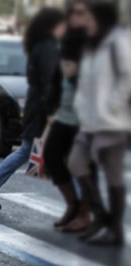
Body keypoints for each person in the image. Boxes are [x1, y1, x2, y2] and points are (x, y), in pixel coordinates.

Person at [0, 8, 66, 208]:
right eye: (62, 25)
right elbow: (47, 83)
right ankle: (81, 204)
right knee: (51, 153)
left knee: (29, 151)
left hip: (38, 108)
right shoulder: (48, 48)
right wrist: (53, 110)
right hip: (42, 111)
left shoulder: (42, 46)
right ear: (54, 26)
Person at [68, 1, 131, 246]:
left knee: (113, 175)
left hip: (113, 123)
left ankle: (114, 229)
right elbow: (85, 83)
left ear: (102, 21)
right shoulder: (92, 47)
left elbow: (127, 77)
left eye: (91, 20)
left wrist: (110, 107)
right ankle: (102, 216)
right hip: (90, 123)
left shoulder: (117, 42)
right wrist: (82, 107)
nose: (87, 24)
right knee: (76, 162)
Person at [43, 0, 92, 231]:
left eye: (79, 13)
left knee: (83, 165)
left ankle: (85, 212)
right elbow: (56, 77)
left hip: (87, 116)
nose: (74, 16)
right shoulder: (68, 41)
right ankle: (72, 205)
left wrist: (76, 73)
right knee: (51, 157)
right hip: (64, 113)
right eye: (71, 12)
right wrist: (51, 110)